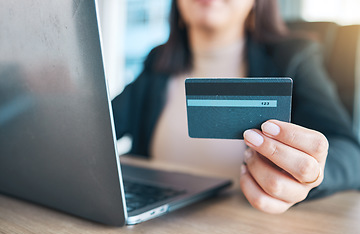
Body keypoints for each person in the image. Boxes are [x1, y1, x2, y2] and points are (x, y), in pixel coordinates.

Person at [112, 0, 360, 214]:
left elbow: (351, 154)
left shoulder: (291, 58)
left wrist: (309, 172)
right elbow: (100, 126)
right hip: (159, 224)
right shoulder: (156, 63)